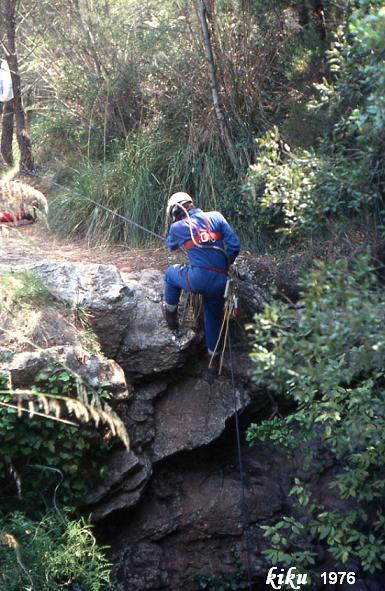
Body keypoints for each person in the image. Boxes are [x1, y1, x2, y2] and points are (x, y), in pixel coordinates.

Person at [163, 192, 240, 380]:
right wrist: (222, 265)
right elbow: (235, 245)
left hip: (197, 280)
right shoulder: (216, 216)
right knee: (213, 317)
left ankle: (171, 319)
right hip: (220, 281)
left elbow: (170, 246)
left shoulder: (178, 226)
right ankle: (214, 365)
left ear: (176, 211)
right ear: (191, 204)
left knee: (170, 274)